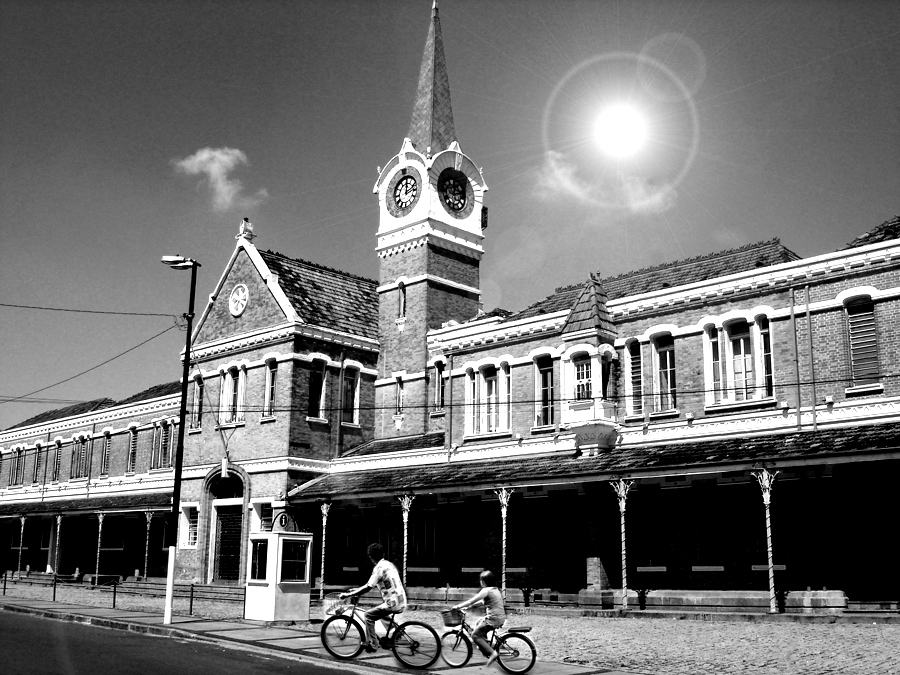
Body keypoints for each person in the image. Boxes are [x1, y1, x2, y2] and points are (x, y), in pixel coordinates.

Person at [340, 543, 407, 652]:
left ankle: (373, 644)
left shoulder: (378, 568)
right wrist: (356, 591)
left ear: (370, 557)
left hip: (393, 603)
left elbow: (368, 586)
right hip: (401, 600)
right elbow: (378, 583)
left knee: (368, 615)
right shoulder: (388, 564)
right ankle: (397, 631)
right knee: (379, 611)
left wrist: (349, 594)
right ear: (382, 554)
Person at [452, 570, 506, 667]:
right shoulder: (495, 589)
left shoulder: (485, 590)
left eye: (481, 580)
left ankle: (493, 653)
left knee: (475, 635)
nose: (480, 582)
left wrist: (458, 606)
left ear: (484, 581)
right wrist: (469, 607)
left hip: (493, 619)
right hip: (500, 617)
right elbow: (482, 602)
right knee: (479, 622)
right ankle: (483, 644)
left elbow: (471, 601)